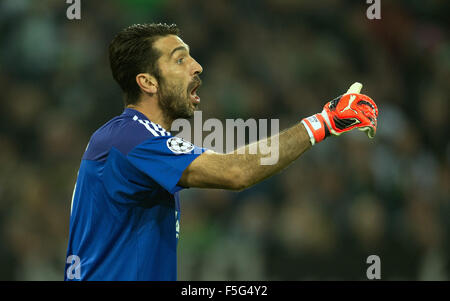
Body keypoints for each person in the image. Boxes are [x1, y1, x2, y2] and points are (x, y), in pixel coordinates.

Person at [64, 23, 378, 281]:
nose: (197, 66)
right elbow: (235, 171)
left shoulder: (138, 141)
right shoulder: (128, 135)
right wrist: (324, 122)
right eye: (179, 59)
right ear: (147, 81)